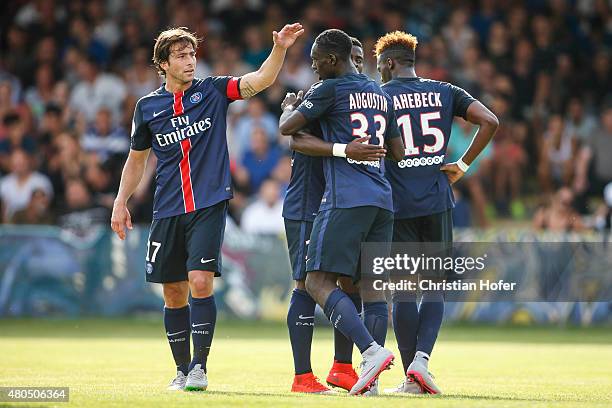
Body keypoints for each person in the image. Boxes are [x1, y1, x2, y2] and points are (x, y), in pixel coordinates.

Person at [110, 24, 304, 392]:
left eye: (192, 54)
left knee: (200, 281)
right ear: (163, 64)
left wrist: (279, 48)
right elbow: (137, 161)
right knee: (173, 292)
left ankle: (200, 366)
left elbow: (260, 80)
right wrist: (121, 202)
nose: (190, 61)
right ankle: (181, 369)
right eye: (181, 55)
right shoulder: (148, 107)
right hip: (167, 208)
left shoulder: (213, 90)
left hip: (209, 203)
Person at [279, 28, 405, 396]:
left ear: (334, 60)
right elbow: (396, 151)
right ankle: (344, 379)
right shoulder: (378, 94)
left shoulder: (327, 91)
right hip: (366, 199)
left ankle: (363, 357)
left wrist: (290, 106)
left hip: (344, 198)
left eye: (317, 61)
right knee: (357, 288)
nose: (314, 67)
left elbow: (290, 129)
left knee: (326, 283)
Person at [374, 31, 498, 395]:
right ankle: (423, 362)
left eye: (379, 65)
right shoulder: (447, 92)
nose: (378, 71)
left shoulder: (379, 96)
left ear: (389, 63)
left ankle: (412, 379)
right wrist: (462, 164)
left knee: (403, 291)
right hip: (437, 200)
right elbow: (490, 120)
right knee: (433, 287)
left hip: (397, 204)